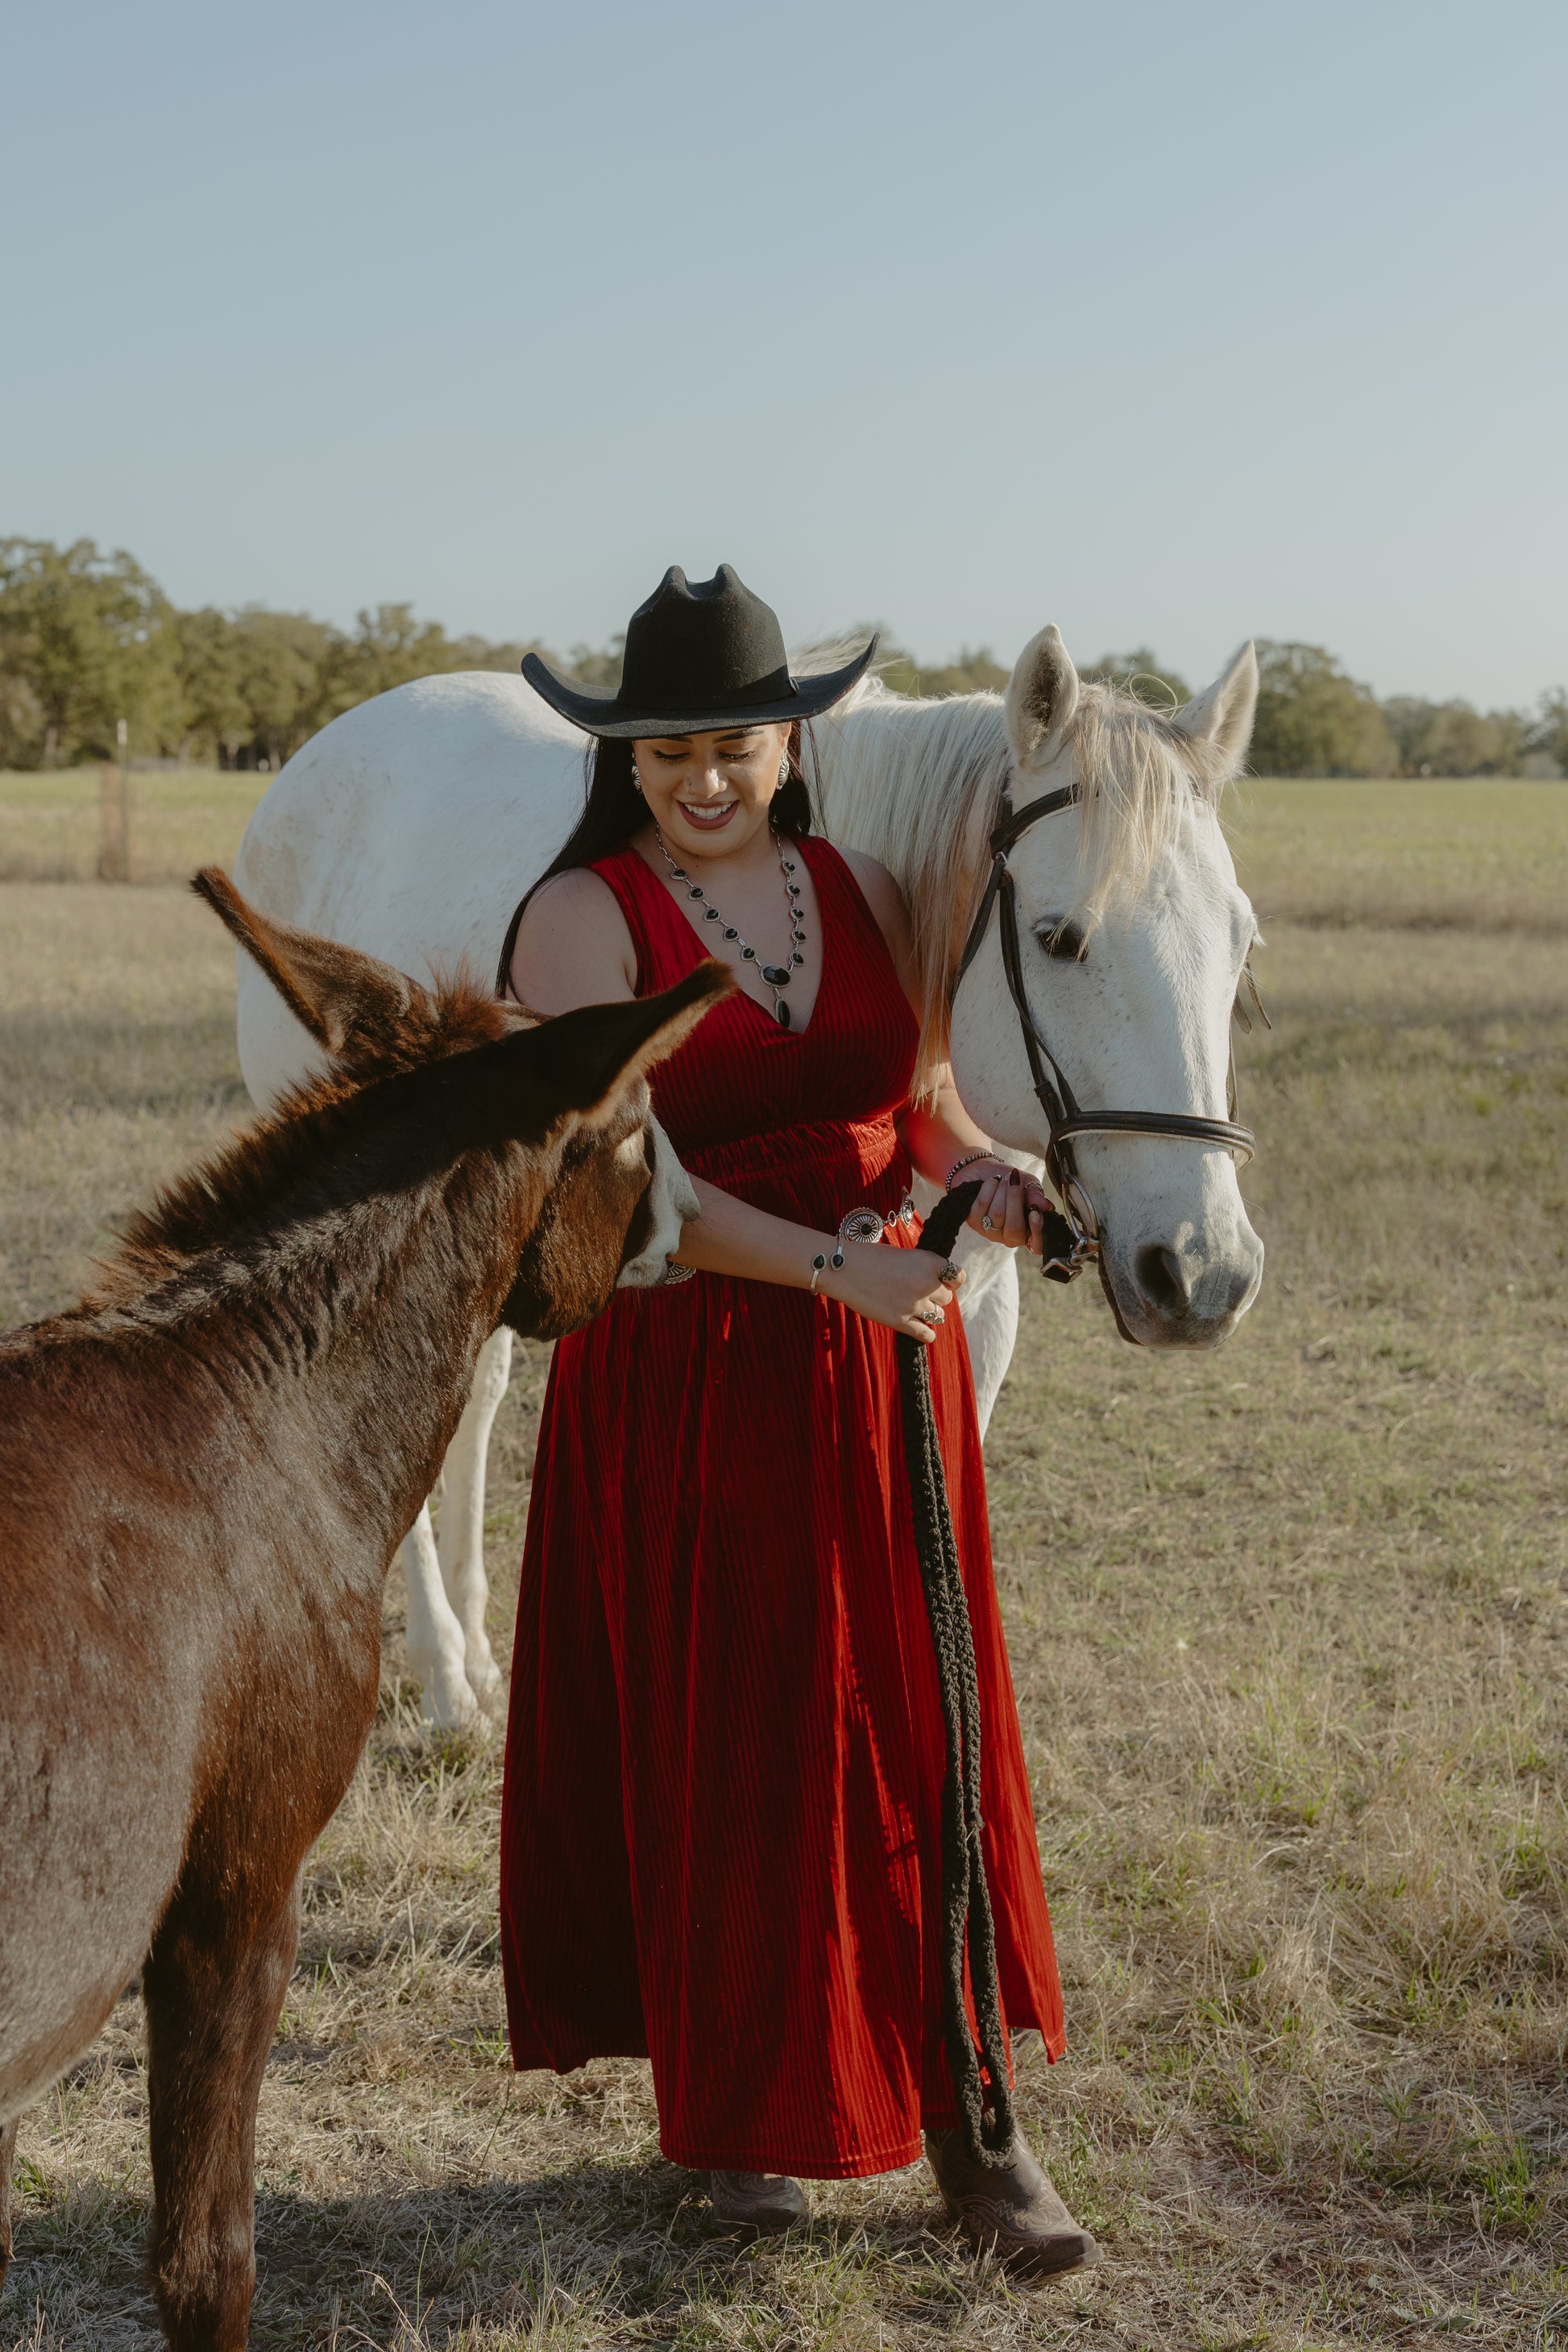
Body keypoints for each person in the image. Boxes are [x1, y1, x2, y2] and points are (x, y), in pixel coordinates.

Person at [497, 565, 1097, 2275]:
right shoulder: (583, 923)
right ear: (623, 760)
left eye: (737, 743)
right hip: (684, 1370)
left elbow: (911, 1108)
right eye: (671, 747)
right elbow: (622, 1185)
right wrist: (832, 1269)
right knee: (734, 1737)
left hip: (874, 1369)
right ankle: (743, 2113)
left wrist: (979, 1176)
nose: (706, 776)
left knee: (924, 1734)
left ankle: (977, 2136)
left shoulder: (868, 885)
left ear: (787, 742)